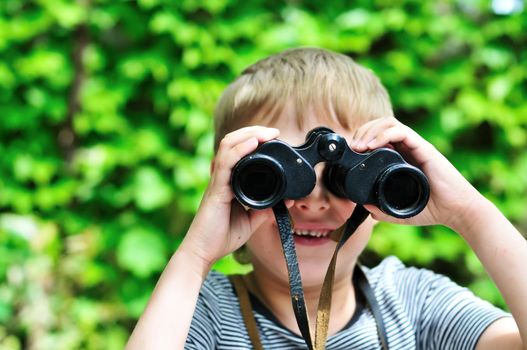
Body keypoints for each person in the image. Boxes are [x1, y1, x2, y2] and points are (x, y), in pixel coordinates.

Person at [126, 48, 526, 349]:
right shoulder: (204, 312)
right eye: (279, 177)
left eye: (343, 178)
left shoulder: (414, 305)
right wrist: (195, 256)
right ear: (232, 182)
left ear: (382, 183)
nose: (313, 201)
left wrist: (471, 213)